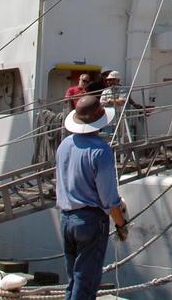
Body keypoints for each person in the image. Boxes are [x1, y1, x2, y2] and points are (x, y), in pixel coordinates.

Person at [56, 95, 129, 300]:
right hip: (90, 220)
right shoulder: (101, 150)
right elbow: (108, 199)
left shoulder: (64, 145)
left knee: (74, 280)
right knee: (86, 283)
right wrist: (121, 224)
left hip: (66, 218)